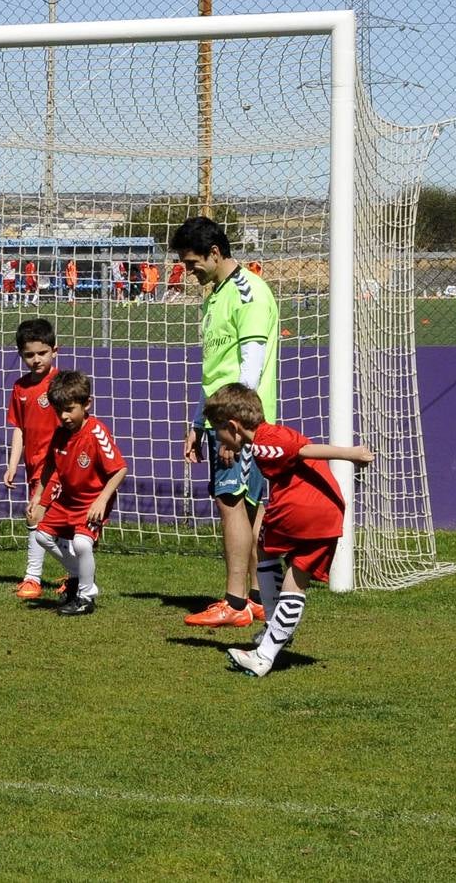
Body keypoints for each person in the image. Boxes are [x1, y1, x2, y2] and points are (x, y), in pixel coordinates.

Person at [204, 384, 373, 676]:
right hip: (326, 511)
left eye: (217, 429)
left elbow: (303, 449)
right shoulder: (263, 437)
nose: (216, 435)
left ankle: (265, 651)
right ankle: (272, 634)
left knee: (290, 578)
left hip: (302, 510)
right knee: (268, 551)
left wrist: (351, 453)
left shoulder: (267, 443)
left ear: (232, 426)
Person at [172, 216, 281, 628]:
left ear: (215, 253)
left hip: (240, 422)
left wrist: (232, 426)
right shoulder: (215, 295)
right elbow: (217, 369)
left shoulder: (248, 292)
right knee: (245, 507)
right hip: (222, 419)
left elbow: (249, 365)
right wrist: (199, 423)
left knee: (231, 503)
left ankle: (234, 603)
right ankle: (252, 599)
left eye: (192, 262)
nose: (189, 270)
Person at [27, 370, 127, 616]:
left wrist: (102, 501)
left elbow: (120, 469)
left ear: (87, 404)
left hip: (91, 501)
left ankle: (85, 596)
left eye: (70, 409)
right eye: (59, 410)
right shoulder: (61, 433)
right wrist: (38, 497)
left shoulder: (96, 432)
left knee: (82, 544)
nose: (64, 416)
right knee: (41, 536)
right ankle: (80, 576)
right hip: (67, 500)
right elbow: (50, 466)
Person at [2, 319, 62, 600]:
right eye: (29, 355)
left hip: (60, 466)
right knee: (37, 518)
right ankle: (46, 577)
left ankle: (35, 577)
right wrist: (13, 464)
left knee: (44, 519)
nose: (36, 360)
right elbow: (19, 429)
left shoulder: (62, 385)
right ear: (21, 355)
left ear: (54, 350)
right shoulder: (20, 388)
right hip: (33, 466)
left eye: (42, 353)